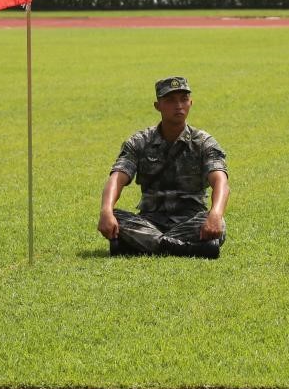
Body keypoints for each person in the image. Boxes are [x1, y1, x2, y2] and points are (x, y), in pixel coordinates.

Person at [97, 76, 230, 259]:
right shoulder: (139, 141)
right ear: (157, 106)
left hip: (191, 221)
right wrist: (106, 211)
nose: (178, 106)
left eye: (183, 99)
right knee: (116, 217)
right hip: (150, 221)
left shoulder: (204, 142)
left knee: (219, 223)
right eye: (170, 101)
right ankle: (187, 249)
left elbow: (220, 182)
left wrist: (215, 214)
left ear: (191, 102)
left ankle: (140, 246)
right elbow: (117, 178)